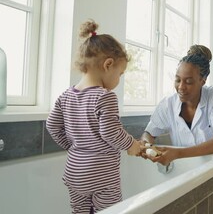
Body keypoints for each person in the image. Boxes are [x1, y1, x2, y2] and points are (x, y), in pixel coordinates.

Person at [46, 19, 143, 214]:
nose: (118, 79)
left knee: (79, 211)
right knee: (111, 211)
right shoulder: (104, 96)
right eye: (120, 73)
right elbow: (111, 132)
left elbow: (52, 125)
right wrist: (132, 144)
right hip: (101, 174)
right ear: (108, 65)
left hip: (74, 171)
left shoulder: (66, 96)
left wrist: (74, 147)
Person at [140, 44, 213, 165]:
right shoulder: (168, 103)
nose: (181, 87)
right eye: (177, 80)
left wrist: (178, 153)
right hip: (185, 168)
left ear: (203, 81)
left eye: (189, 82)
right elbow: (149, 133)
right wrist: (146, 145)